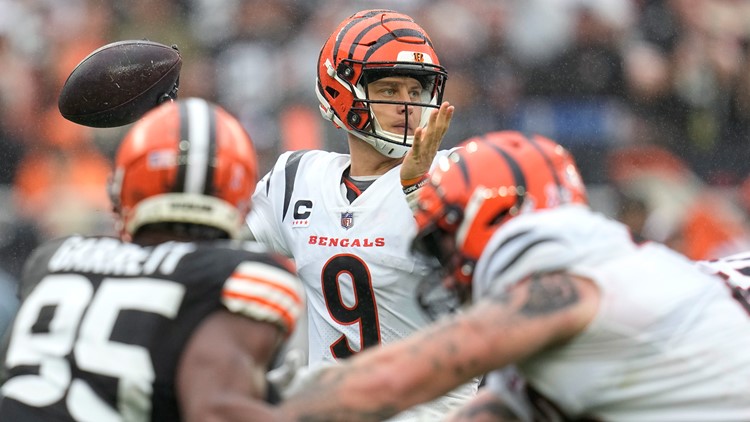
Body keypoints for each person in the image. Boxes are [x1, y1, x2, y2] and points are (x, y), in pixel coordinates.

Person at [275, 130, 750, 421]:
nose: (444, 266)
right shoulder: (615, 272)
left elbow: (397, 378)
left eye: (443, 240)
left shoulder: (558, 292)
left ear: (490, 218)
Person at [0, 97, 305, 421]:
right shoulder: (238, 276)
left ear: (124, 185)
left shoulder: (53, 258)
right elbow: (215, 412)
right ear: (240, 191)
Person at [246, 9, 479, 420]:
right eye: (390, 88)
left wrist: (418, 191)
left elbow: (489, 278)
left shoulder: (457, 172)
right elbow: (214, 249)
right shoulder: (296, 178)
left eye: (415, 91)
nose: (407, 106)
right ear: (341, 90)